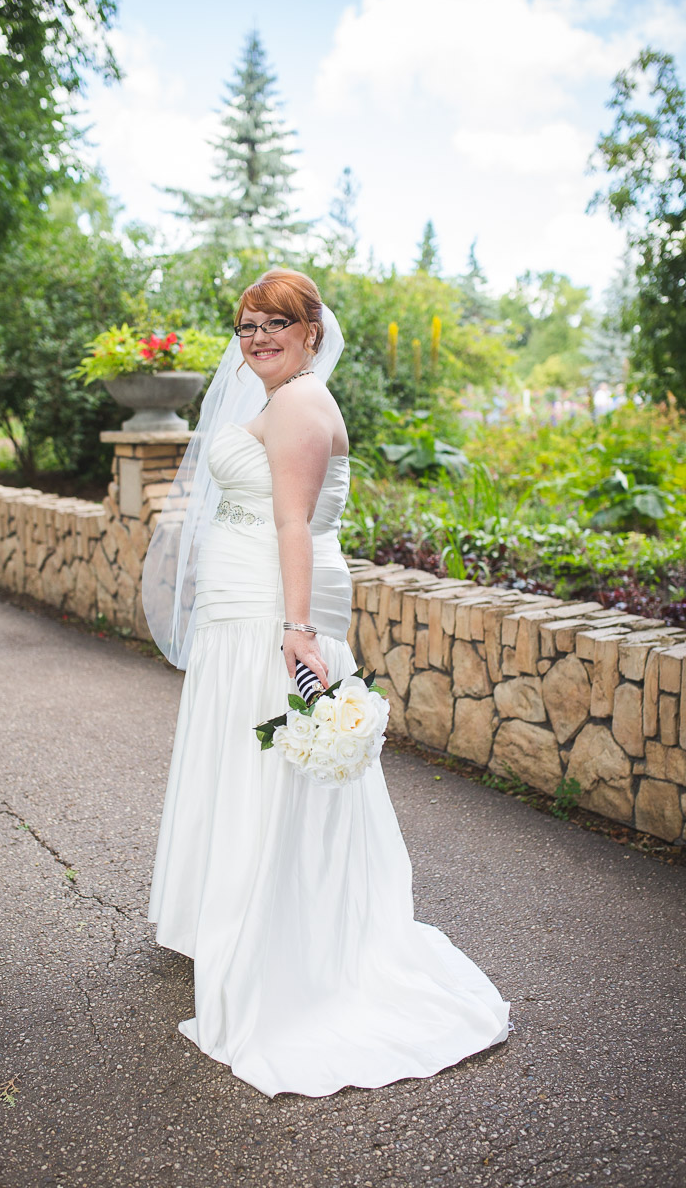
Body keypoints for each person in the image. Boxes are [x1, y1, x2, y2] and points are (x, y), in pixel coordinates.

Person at [142, 268, 511, 1099]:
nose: (259, 337)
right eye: (246, 326)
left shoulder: (305, 402)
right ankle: (225, 913)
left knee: (275, 755)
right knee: (242, 749)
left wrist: (298, 630)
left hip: (281, 599)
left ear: (311, 331)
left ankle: (287, 938)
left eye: (276, 322)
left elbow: (293, 523)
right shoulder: (277, 400)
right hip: (252, 598)